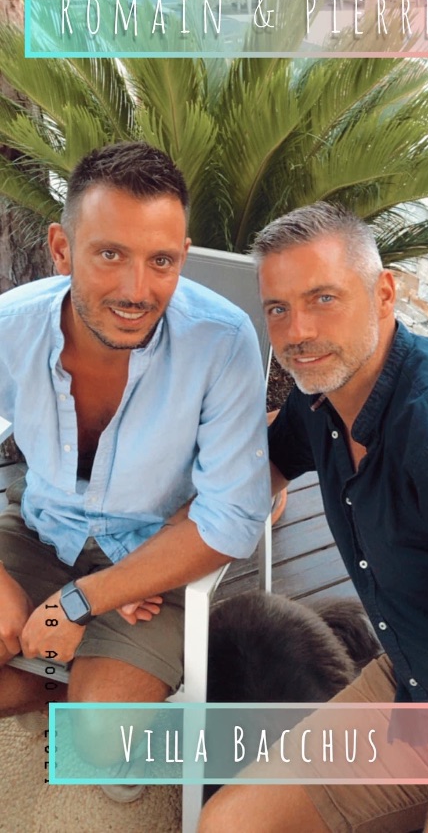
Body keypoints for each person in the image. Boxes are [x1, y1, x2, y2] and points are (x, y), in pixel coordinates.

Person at [198, 201, 428, 832]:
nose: (298, 331)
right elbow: (258, 472)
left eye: (323, 298)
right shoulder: (322, 401)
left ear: (384, 292)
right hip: (416, 679)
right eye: (278, 309)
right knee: (231, 823)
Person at [0, 142, 270, 749]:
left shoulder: (222, 342)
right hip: (40, 529)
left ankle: (62, 672)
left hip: (155, 557)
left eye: (161, 261)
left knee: (97, 740)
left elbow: (231, 517)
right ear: (62, 248)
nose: (136, 290)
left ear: (183, 257)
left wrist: (82, 602)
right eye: (110, 254)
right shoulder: (10, 326)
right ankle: (57, 674)